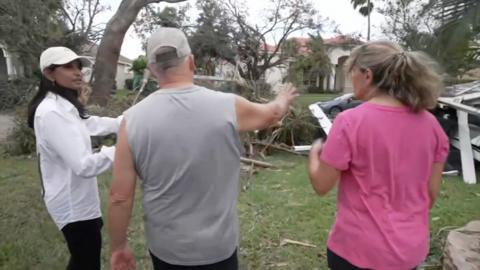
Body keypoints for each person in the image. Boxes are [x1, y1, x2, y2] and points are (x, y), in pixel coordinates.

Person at [107, 27, 297, 270]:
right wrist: (282, 98)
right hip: (218, 249)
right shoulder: (228, 107)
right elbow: (273, 114)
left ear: (152, 69)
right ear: (192, 62)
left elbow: (119, 198)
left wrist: (119, 247)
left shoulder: (131, 121)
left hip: (167, 249)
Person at [308, 40, 450, 270]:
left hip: (357, 251)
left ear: (367, 74)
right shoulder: (431, 125)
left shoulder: (350, 122)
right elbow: (429, 196)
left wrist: (315, 155)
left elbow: (322, 185)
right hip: (408, 253)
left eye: (351, 72)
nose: (350, 78)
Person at [27, 46, 122, 270]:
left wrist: (126, 122)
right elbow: (83, 166)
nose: (78, 72)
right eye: (68, 67)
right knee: (86, 260)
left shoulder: (64, 106)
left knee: (84, 258)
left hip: (78, 198)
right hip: (71, 203)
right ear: (49, 73)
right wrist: (122, 149)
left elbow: (90, 123)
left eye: (78, 67)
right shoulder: (51, 112)